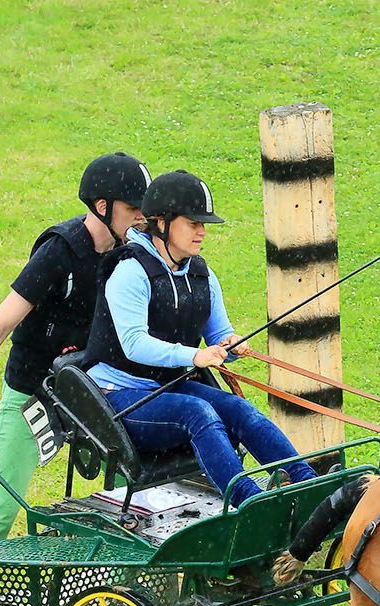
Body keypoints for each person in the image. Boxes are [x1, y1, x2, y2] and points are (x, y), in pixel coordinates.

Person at [0, 152, 153, 541]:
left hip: (91, 391)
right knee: (1, 508)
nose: (141, 218)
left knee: (138, 504)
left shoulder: (129, 252)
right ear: (102, 207)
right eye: (133, 208)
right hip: (34, 392)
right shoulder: (58, 253)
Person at [82, 168, 316, 506]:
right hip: (120, 399)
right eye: (194, 223)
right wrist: (193, 356)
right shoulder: (129, 272)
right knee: (198, 413)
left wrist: (230, 345)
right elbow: (134, 344)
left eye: (203, 224)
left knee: (237, 409)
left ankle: (306, 483)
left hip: (169, 387)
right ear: (161, 222)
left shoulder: (201, 274)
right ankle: (250, 503)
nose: (202, 232)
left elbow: (218, 334)